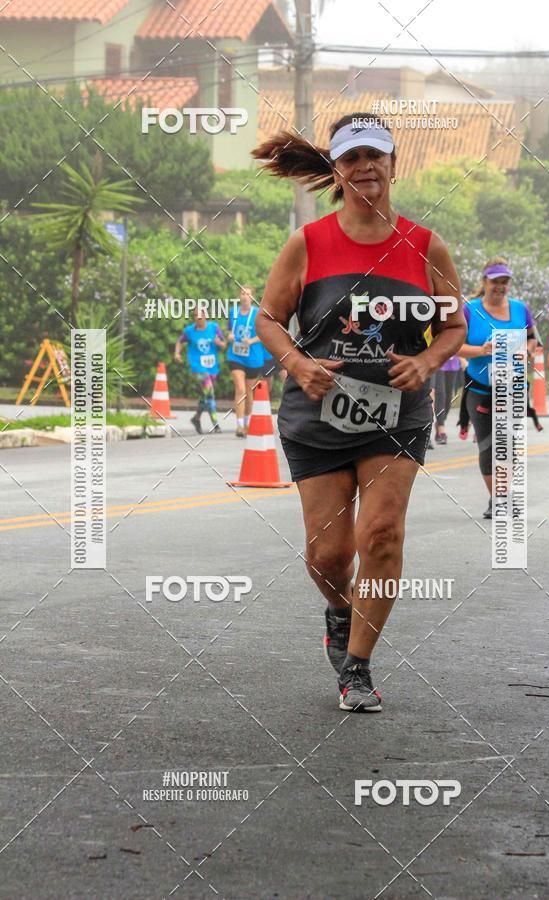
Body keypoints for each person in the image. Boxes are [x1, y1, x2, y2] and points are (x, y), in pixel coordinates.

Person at [252, 115, 466, 713]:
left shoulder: (426, 246)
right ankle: (341, 613)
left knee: (382, 534)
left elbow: (454, 326)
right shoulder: (309, 243)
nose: (365, 167)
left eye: (376, 156)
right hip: (317, 417)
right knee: (329, 555)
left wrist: (426, 364)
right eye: (352, 159)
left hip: (396, 415)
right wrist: (297, 365)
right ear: (337, 171)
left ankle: (359, 667)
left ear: (394, 165)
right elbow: (268, 319)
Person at [457, 259, 537, 519]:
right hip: (481, 387)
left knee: (510, 445)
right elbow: (454, 346)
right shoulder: (470, 310)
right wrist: (482, 350)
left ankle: (504, 494)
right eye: (495, 282)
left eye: (504, 282)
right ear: (484, 282)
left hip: (513, 387)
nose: (500, 287)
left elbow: (532, 338)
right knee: (489, 445)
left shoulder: (520, 309)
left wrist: (527, 351)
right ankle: (498, 499)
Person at [174, 307, 226, 434]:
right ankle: (215, 424)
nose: (198, 317)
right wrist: (177, 354)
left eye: (200, 315)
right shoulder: (190, 331)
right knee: (210, 393)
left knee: (205, 395)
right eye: (195, 315)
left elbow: (224, 345)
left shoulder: (214, 327)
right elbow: (179, 341)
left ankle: (196, 418)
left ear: (206, 316)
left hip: (212, 366)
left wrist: (219, 343)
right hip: (197, 366)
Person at [226, 285, 264, 437]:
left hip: (253, 357)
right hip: (235, 355)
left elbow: (264, 334)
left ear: (252, 297)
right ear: (239, 295)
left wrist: (252, 340)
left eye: (248, 294)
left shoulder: (258, 313)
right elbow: (230, 330)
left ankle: (248, 423)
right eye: (242, 293)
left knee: (249, 391)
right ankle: (239, 425)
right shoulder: (233, 312)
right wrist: (229, 335)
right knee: (240, 389)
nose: (245, 296)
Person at [433, 356, 461, 443]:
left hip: (452, 361)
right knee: (441, 394)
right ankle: (441, 428)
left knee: (448, 399)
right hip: (437, 360)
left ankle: (440, 422)